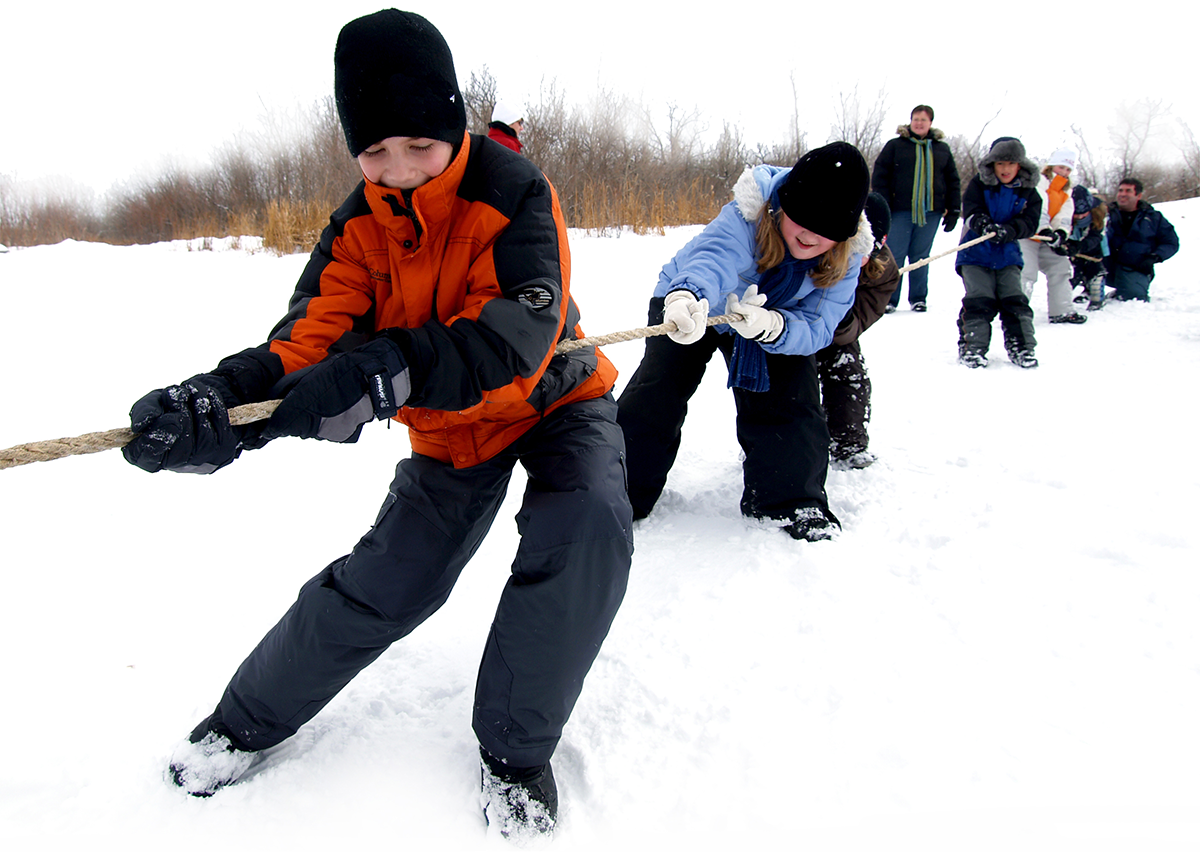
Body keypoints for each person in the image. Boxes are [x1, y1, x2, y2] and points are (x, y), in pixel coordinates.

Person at [120, 10, 632, 839]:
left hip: (556, 401)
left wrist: (394, 364)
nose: (398, 170)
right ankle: (242, 725)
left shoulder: (514, 190)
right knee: (389, 580)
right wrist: (224, 402)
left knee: (587, 528)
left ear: (453, 124)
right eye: (375, 152)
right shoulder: (358, 226)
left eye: (419, 146)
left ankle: (515, 753)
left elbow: (516, 333)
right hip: (452, 431)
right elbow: (308, 341)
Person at [616, 142, 871, 542]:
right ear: (782, 207)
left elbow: (819, 324)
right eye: (803, 219)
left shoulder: (849, 257)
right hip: (694, 303)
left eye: (827, 230)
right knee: (658, 391)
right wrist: (685, 297)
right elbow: (713, 259)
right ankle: (617, 492)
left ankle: (790, 500)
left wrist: (775, 327)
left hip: (772, 319)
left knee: (792, 399)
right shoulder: (747, 214)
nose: (810, 235)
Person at [816, 192, 900, 471]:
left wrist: (841, 319)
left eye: (866, 252)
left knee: (848, 370)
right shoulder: (812, 247)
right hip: (790, 327)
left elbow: (862, 318)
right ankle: (774, 442)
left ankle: (848, 442)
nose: (858, 257)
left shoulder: (883, 272)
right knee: (790, 381)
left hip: (836, 332)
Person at [955, 137, 1042, 369]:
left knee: (1014, 300)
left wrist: (1011, 230)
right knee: (980, 299)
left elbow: (1030, 222)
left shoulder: (1029, 192)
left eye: (1011, 163)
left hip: (1008, 255)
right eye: (1000, 163)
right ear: (992, 164)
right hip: (975, 253)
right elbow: (971, 210)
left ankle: (1022, 347)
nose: (1005, 169)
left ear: (1020, 165)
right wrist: (984, 224)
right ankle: (973, 348)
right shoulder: (979, 184)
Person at [871, 105, 962, 313]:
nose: (919, 123)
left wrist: (954, 209)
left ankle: (918, 298)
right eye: (916, 119)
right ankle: (890, 299)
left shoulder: (941, 149)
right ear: (910, 122)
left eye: (923, 119)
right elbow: (880, 176)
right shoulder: (895, 146)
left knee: (921, 256)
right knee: (894, 255)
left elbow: (952, 180)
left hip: (931, 212)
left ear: (931, 123)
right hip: (900, 210)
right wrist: (883, 203)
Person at [1020, 144, 1087, 324]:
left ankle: (1062, 310)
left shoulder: (1066, 191)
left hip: (1046, 238)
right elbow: (1038, 205)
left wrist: (1061, 233)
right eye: (1061, 167)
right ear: (1052, 166)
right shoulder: (1039, 181)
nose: (1064, 172)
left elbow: (1064, 215)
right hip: (1028, 234)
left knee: (1061, 267)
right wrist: (1044, 228)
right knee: (1026, 272)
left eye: (1068, 169)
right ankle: (1017, 312)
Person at [1104, 177, 1179, 302]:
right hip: (1105, 264)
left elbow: (1170, 242)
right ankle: (1087, 290)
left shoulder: (1153, 217)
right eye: (1120, 190)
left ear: (1138, 195)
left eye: (1128, 191)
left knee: (1134, 298)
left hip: (1135, 266)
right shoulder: (1105, 214)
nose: (1122, 194)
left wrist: (1154, 257)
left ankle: (1127, 289)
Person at [1068, 191, 1110, 311]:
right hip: (1076, 252)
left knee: (1095, 274)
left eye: (1083, 214)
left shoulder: (1098, 218)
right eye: (1077, 214)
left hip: (1095, 251)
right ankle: (1085, 290)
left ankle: (1097, 297)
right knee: (1075, 274)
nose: (1080, 217)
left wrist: (1081, 246)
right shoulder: (1068, 217)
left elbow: (1095, 237)